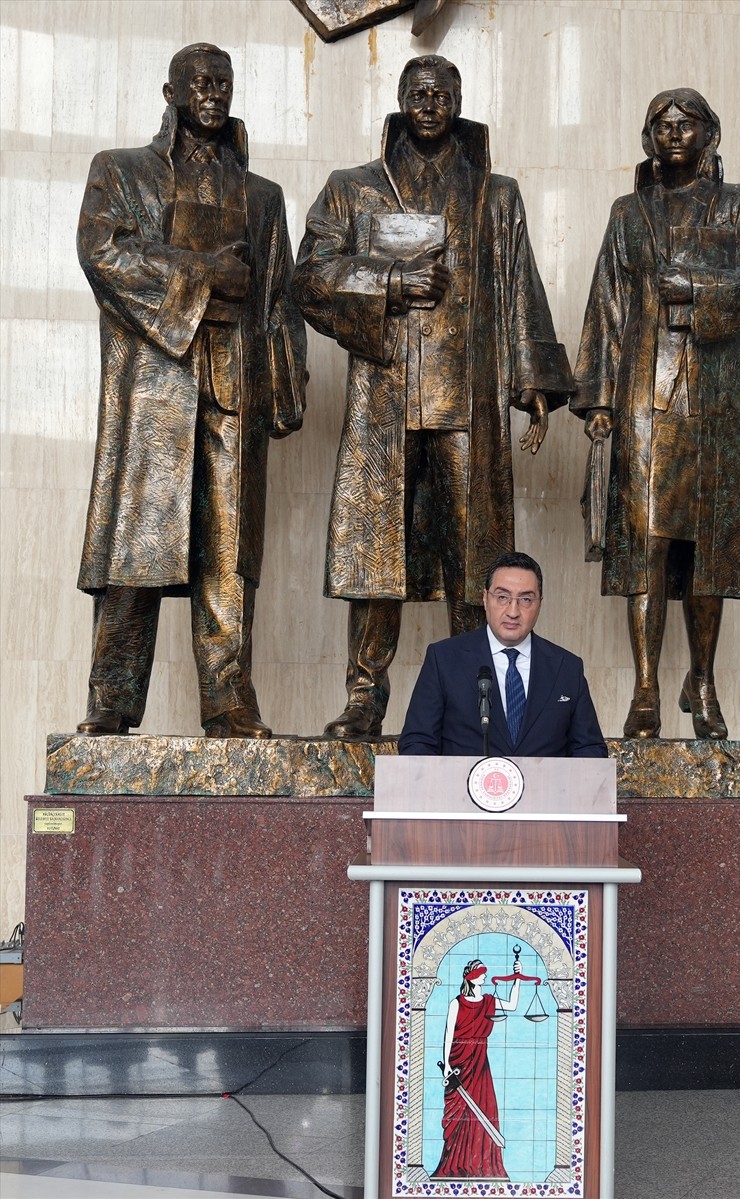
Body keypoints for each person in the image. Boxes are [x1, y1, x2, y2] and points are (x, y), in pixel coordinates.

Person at [295, 55, 574, 741]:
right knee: (374, 555)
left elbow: (517, 287)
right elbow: (309, 277)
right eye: (417, 94)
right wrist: (388, 279)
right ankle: (365, 696)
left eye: (441, 94)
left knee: (474, 558)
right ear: (398, 102)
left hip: (465, 399)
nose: (429, 104)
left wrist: (534, 381)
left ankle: (479, 699)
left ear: (458, 101)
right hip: (385, 397)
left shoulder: (493, 193)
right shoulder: (353, 189)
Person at [75, 43, 306, 738]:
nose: (213, 93)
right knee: (136, 549)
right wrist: (203, 272)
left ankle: (229, 702)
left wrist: (286, 387)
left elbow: (278, 297)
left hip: (235, 386)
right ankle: (110, 705)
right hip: (154, 387)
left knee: (229, 556)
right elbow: (103, 252)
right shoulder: (120, 171)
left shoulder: (261, 196)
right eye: (201, 82)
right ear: (170, 90)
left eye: (224, 83)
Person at [572, 88, 740, 739]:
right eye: (660, 125)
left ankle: (704, 679)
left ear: (708, 135)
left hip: (715, 401)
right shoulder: (629, 212)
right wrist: (599, 402)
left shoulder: (738, 205)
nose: (671, 134)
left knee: (709, 549)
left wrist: (700, 290)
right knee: (648, 545)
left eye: (683, 124)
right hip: (642, 398)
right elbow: (607, 306)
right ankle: (644, 690)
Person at [398, 552, 607, 757]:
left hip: (545, 790)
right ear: (485, 598)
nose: (513, 611)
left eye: (526, 599)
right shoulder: (444, 659)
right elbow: (417, 743)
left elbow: (590, 750)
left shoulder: (567, 668)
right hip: (461, 790)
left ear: (539, 603)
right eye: (502, 597)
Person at [433, 957, 520, 1180]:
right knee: (459, 1111)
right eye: (481, 973)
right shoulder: (457, 1003)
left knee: (484, 1107)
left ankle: (483, 1164)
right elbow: (448, 1035)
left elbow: (512, 1005)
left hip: (480, 1061)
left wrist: (517, 979)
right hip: (459, 1063)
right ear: (471, 977)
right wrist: (446, 1066)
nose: (484, 976)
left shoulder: (488, 1001)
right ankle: (456, 1163)